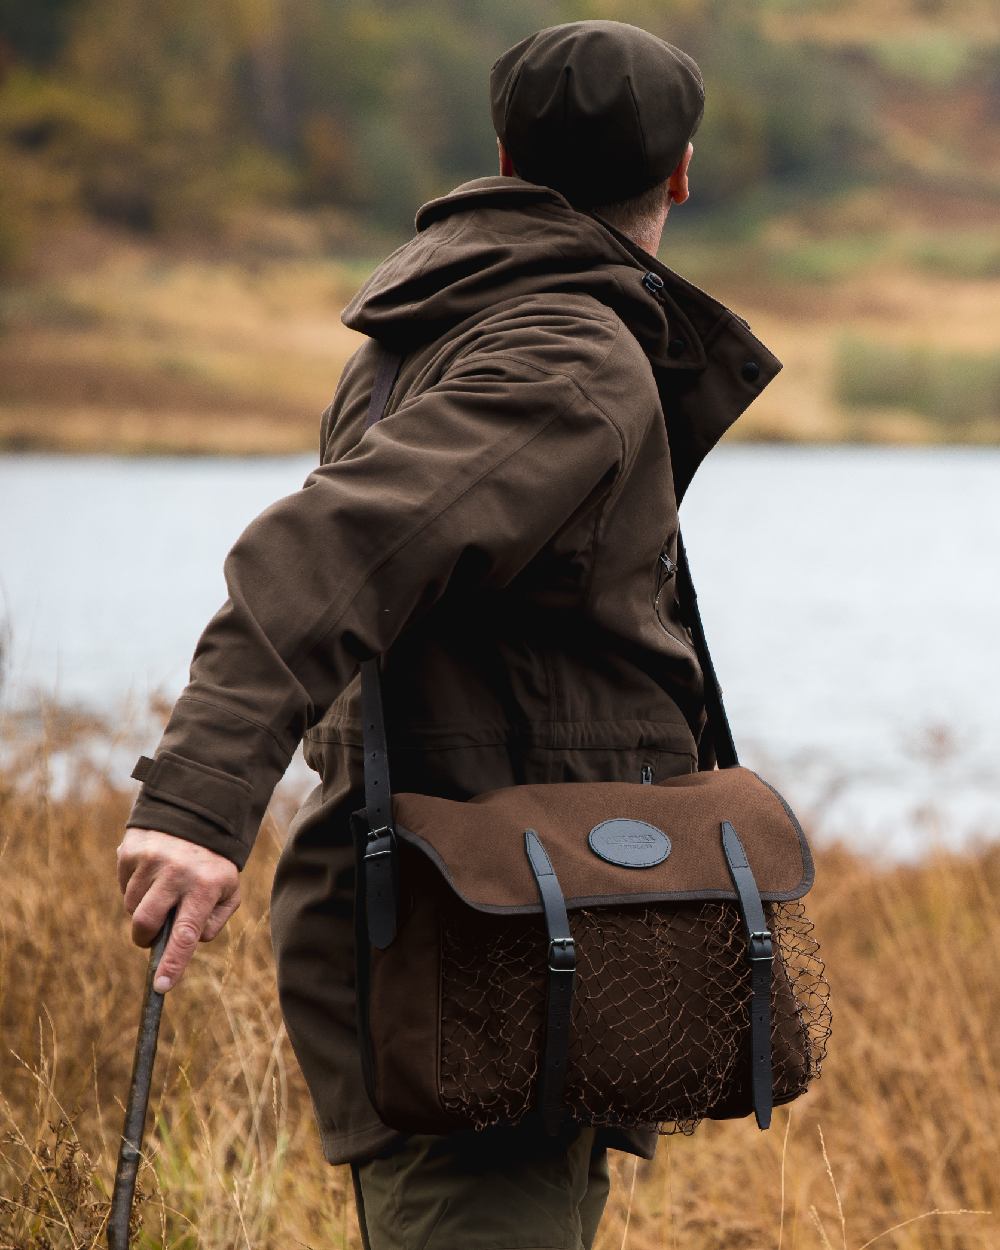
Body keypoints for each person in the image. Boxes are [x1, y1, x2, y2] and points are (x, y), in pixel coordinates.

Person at [116, 19, 781, 1250]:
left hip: (490, 928)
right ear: (682, 172)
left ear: (506, 157)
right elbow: (329, 549)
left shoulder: (441, 323)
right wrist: (197, 804)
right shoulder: (566, 355)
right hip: (482, 952)